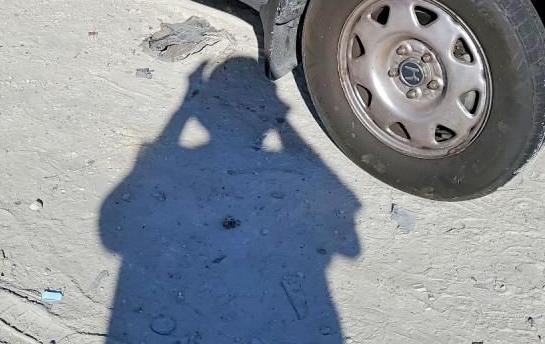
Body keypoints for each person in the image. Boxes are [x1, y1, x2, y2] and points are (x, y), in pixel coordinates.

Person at [100, 56, 361, 343]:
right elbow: (349, 242)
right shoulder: (280, 172)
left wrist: (184, 108)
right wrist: (282, 123)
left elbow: (112, 232)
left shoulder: (184, 166)